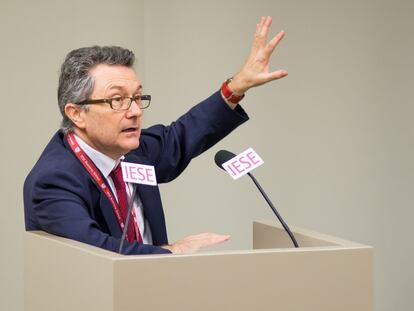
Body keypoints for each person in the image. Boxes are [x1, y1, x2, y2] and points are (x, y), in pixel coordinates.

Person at [23, 16, 288, 255]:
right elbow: (94, 249)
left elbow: (181, 136)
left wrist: (236, 87)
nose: (136, 111)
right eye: (118, 100)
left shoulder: (132, 154)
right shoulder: (54, 180)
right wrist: (171, 253)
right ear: (76, 113)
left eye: (138, 97)